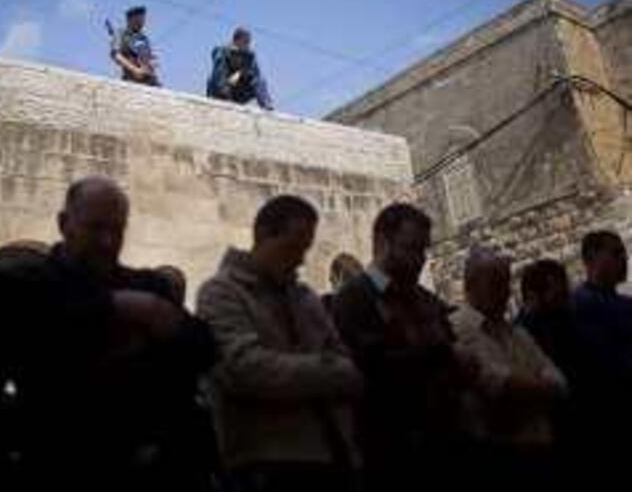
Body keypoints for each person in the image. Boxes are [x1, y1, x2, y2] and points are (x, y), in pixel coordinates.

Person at [0, 176, 216, 488]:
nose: (108, 241)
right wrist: (116, 308)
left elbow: (204, 348)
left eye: (117, 230)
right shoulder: (25, 282)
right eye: (96, 228)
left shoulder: (148, 287)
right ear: (64, 223)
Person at [197, 195, 361, 492]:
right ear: (263, 235)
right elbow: (246, 369)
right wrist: (324, 368)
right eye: (293, 246)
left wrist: (322, 369)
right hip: (265, 464)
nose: (300, 259)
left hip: (333, 455)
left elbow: (347, 364)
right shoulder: (220, 293)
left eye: (305, 248)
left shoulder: (305, 297)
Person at [331, 203, 465, 482]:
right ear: (382, 243)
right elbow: (369, 370)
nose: (420, 260)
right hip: (390, 454)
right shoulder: (354, 299)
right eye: (411, 248)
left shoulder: (427, 300)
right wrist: (437, 354)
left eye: (423, 250)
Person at [451, 248, 567, 479]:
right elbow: (499, 386)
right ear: (471, 285)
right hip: (500, 458)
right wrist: (540, 388)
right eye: (495, 284)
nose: (505, 292)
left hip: (542, 449)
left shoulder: (515, 332)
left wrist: (529, 388)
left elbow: (560, 381)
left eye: (505, 283)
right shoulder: (457, 329)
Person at [570, 231, 632, 470]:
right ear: (592, 258)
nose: (624, 258)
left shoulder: (624, 304)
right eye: (616, 253)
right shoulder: (582, 305)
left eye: (623, 252)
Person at [207, 27, 273, 110]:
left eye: (248, 42)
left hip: (237, 91)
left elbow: (256, 76)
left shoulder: (249, 56)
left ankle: (266, 103)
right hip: (220, 90)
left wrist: (242, 72)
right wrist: (226, 86)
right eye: (245, 42)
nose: (247, 45)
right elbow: (219, 74)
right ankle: (224, 98)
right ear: (236, 41)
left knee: (259, 80)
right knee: (221, 78)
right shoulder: (222, 51)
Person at [110, 6, 160, 86]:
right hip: (132, 79)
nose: (143, 23)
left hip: (150, 79)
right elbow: (116, 55)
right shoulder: (120, 34)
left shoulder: (143, 38)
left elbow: (149, 56)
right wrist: (135, 70)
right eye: (139, 20)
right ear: (130, 20)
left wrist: (152, 62)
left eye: (143, 20)